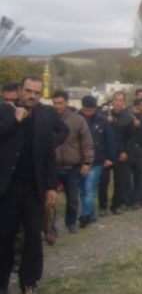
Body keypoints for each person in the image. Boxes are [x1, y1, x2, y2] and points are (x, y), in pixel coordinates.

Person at [0, 76, 65, 294]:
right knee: (4, 237)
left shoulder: (46, 117)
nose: (32, 96)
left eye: (36, 93)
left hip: (34, 189)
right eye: (28, 91)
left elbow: (49, 155)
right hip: (6, 188)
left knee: (32, 238)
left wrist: (51, 187)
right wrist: (14, 121)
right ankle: (1, 284)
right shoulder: (5, 112)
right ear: (19, 91)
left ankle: (29, 283)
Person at [51, 90, 94, 234]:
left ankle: (70, 222)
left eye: (60, 103)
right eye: (55, 103)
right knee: (50, 200)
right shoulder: (48, 119)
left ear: (67, 103)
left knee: (72, 199)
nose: (57, 106)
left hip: (73, 166)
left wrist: (87, 162)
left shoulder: (78, 120)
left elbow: (87, 142)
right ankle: (50, 227)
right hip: (52, 166)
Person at [78, 95, 115, 226]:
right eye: (86, 110)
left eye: (91, 110)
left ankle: (85, 215)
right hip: (79, 160)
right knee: (83, 191)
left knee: (89, 190)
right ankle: (91, 214)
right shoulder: (77, 119)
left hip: (97, 159)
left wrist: (110, 157)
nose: (88, 113)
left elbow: (109, 139)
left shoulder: (102, 120)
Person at [108, 91, 137, 214]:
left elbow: (132, 138)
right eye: (116, 100)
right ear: (112, 101)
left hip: (122, 153)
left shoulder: (129, 118)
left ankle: (118, 204)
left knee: (121, 181)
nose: (118, 102)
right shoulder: (106, 115)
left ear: (124, 102)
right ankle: (103, 205)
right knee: (104, 181)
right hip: (108, 153)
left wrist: (126, 151)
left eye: (120, 100)